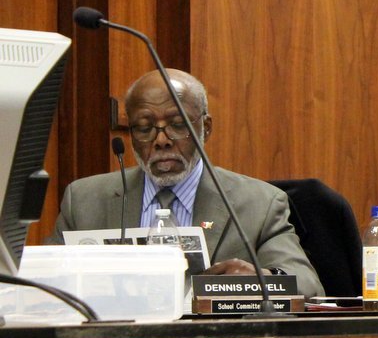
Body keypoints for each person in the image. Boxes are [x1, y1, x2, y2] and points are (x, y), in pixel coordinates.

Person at [50, 69, 324, 297]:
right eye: (144, 128)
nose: (161, 140)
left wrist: (260, 278)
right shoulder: (84, 200)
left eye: (178, 125)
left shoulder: (260, 203)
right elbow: (44, 282)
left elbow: (306, 285)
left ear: (206, 127)